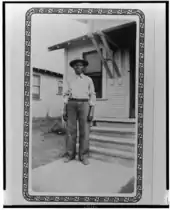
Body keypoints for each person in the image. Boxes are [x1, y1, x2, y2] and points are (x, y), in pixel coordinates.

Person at [62, 58, 96, 165]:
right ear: (73, 68)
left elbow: (92, 95)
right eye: (76, 66)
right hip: (71, 104)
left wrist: (91, 111)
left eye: (80, 65)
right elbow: (66, 95)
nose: (78, 67)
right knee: (70, 131)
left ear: (84, 67)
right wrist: (64, 109)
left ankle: (84, 156)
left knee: (85, 131)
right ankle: (69, 154)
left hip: (85, 104)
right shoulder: (69, 79)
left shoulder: (88, 80)